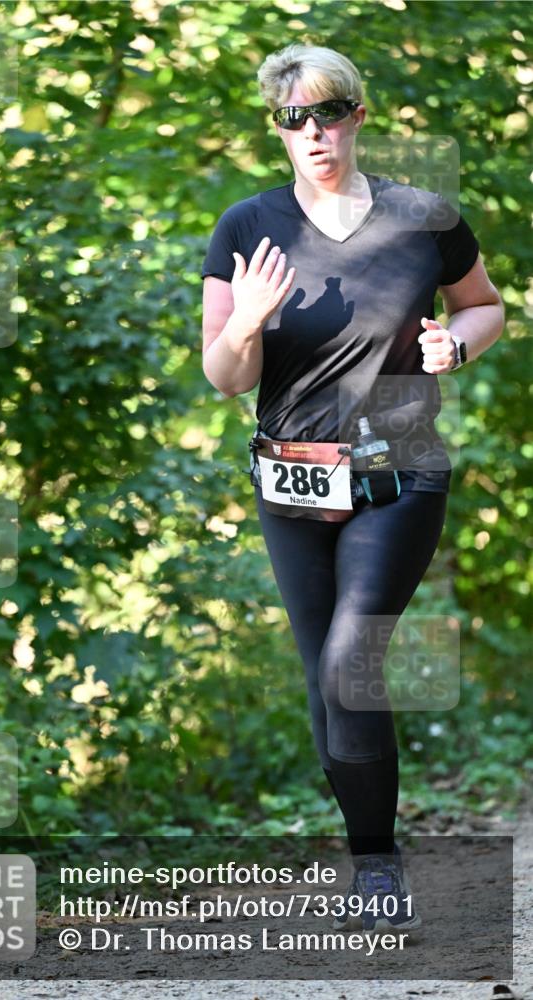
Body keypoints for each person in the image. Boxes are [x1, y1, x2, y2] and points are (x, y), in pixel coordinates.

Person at [200, 42, 505, 931]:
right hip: (289, 481)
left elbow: (481, 304)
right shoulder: (245, 226)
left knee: (350, 664)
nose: (312, 132)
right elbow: (223, 375)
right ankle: (365, 845)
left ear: (357, 116)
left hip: (398, 472)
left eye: (326, 113)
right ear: (277, 130)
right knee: (321, 678)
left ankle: (376, 868)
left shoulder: (422, 217)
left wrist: (460, 342)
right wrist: (248, 323)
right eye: (292, 119)